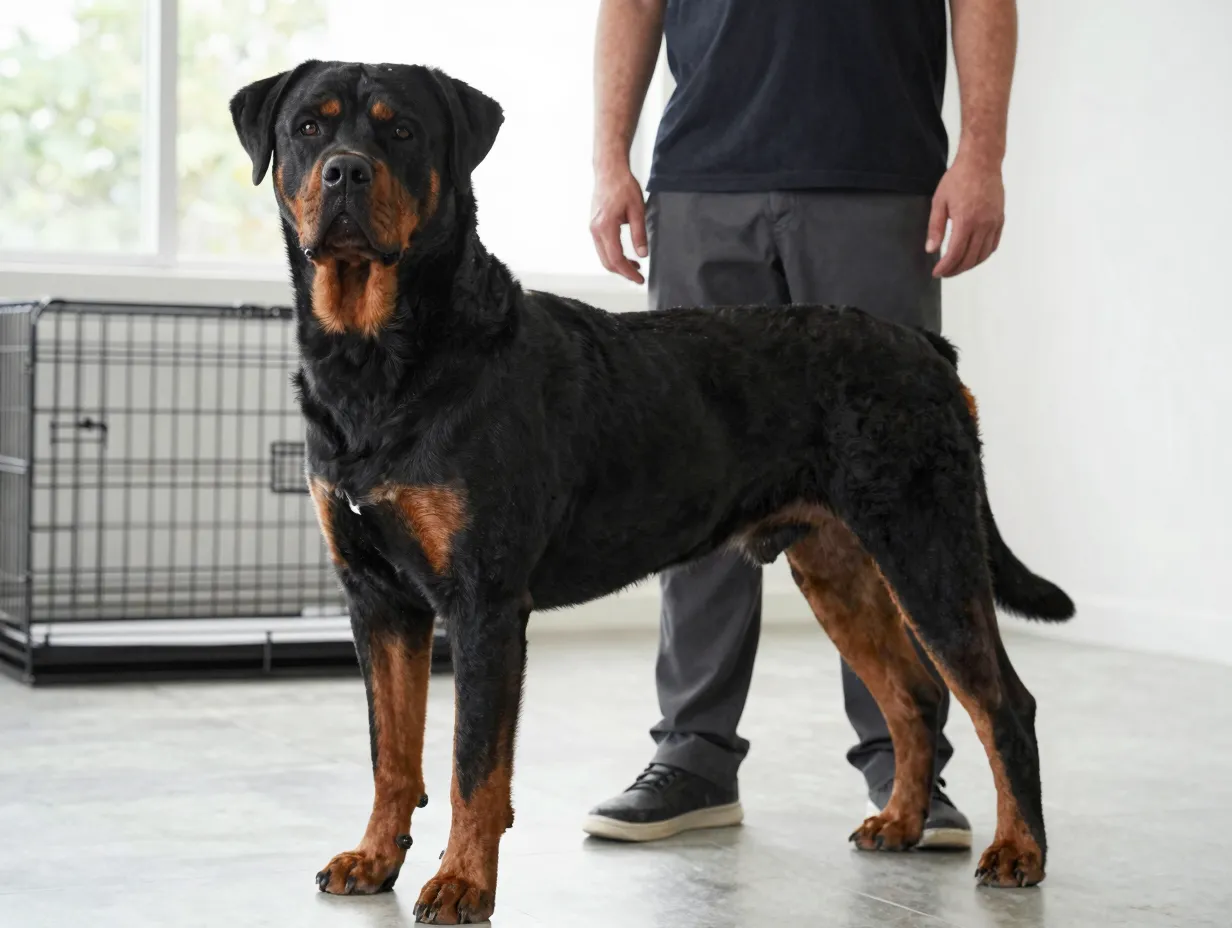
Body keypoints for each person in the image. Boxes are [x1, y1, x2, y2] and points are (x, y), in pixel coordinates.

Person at [582, 0, 1015, 847]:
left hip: (880, 180)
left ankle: (909, 768)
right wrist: (608, 161)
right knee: (697, 486)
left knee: (890, 495)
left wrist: (983, 155)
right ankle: (693, 758)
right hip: (704, 177)